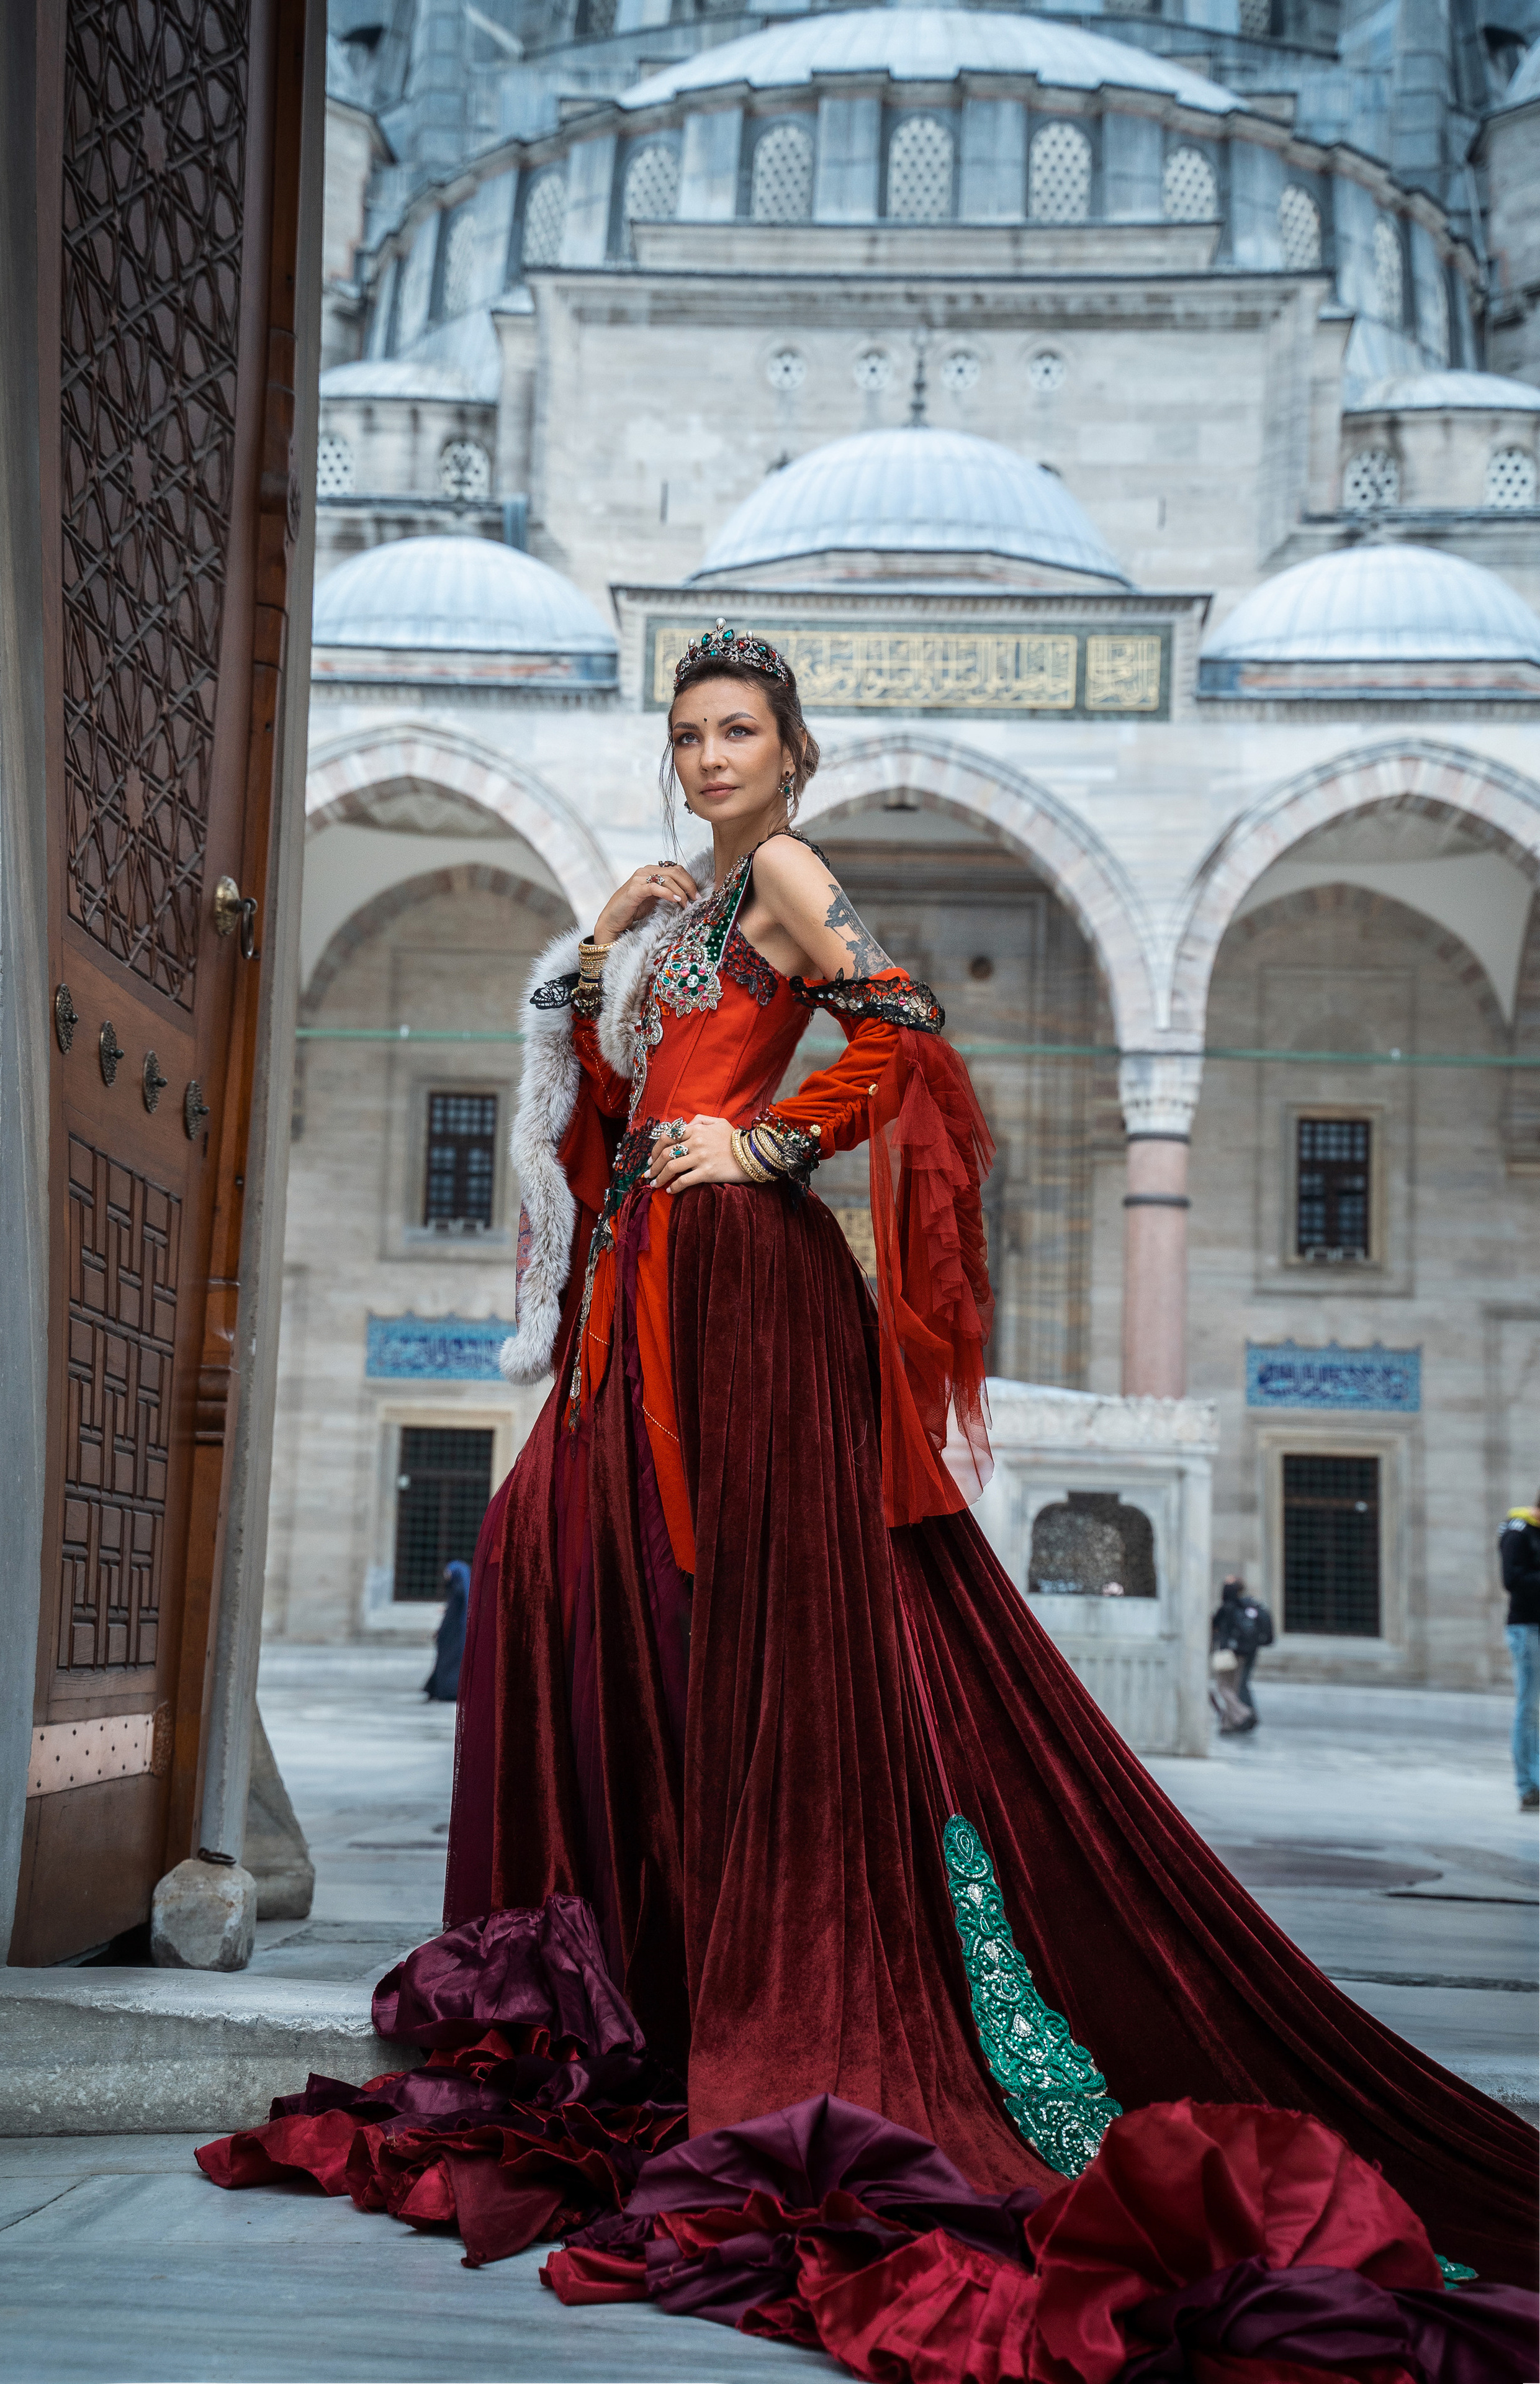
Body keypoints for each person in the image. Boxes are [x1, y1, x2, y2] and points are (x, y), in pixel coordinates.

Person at [197, 626, 1537, 2360]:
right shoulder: (680, 905)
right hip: (637, 1295)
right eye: (686, 731)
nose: (704, 756)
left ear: (789, 746)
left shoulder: (787, 874)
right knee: (550, 1568)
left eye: (735, 730)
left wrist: (772, 1143)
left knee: (729, 1604)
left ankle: (757, 1969)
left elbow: (899, 1031)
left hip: (746, 1293)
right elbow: (598, 1101)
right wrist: (591, 950)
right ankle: (644, 1972)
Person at [1498, 1494, 1540, 1812]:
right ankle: (1529, 1786)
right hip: (1528, 1630)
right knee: (1529, 1708)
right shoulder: (1519, 1531)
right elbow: (1511, 1579)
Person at [1210, 1574, 1274, 1733]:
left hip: (1226, 1653)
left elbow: (1214, 1627)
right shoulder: (1247, 1606)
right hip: (1242, 1653)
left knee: (1223, 1688)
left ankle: (1244, 1713)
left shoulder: (1226, 1608)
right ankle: (1229, 1723)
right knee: (1234, 1687)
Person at [423, 1558, 470, 1702]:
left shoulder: (459, 1590)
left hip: (454, 1638)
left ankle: (449, 1690)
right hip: (452, 1637)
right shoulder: (459, 1589)